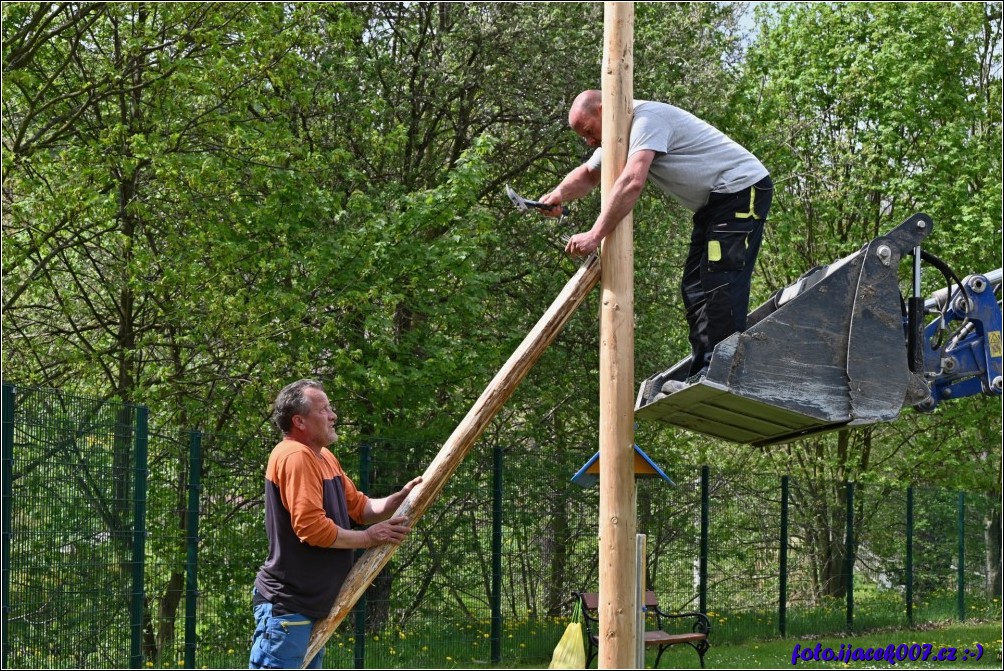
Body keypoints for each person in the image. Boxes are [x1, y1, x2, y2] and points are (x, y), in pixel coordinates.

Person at [540, 90, 773, 392]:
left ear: (604, 109)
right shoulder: (621, 134)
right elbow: (588, 174)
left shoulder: (647, 120)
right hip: (715, 204)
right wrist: (559, 193)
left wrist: (595, 234)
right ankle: (704, 372)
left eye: (588, 131)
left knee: (720, 281)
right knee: (694, 287)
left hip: (742, 190)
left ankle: (726, 374)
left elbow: (633, 181)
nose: (589, 141)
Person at [249, 379, 422, 669]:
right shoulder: (295, 456)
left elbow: (361, 507)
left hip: (306, 607)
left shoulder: (324, 457)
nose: (334, 415)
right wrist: (368, 538)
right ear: (299, 421)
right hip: (289, 607)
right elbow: (312, 528)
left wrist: (398, 499)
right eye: (324, 409)